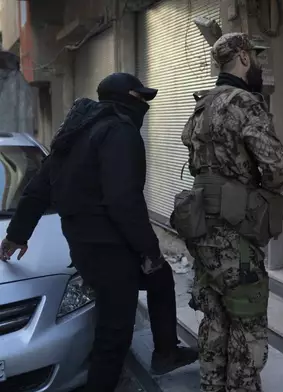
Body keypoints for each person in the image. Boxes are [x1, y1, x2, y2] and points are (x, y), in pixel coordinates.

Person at [0, 72, 197, 392]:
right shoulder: (120, 132)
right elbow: (124, 201)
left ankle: (166, 351)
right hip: (112, 251)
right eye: (141, 98)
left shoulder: (75, 133)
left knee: (160, 278)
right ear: (125, 98)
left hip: (84, 248)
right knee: (113, 337)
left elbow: (37, 190)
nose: (144, 105)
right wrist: (148, 250)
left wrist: (17, 236)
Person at [179, 32, 283, 392]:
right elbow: (275, 168)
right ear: (242, 57)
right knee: (247, 320)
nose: (259, 64)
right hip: (235, 231)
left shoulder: (202, 104)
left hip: (202, 229)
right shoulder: (246, 103)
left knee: (215, 318)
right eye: (256, 57)